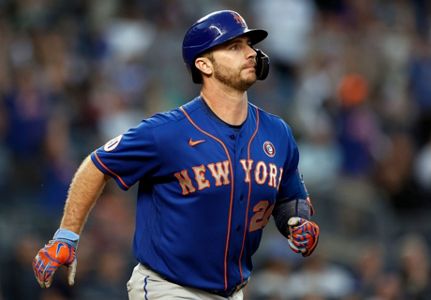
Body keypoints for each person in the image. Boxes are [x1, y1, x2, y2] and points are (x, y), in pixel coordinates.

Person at [32, 10, 320, 300]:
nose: (250, 53)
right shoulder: (167, 132)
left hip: (233, 292)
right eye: (234, 47)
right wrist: (66, 236)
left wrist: (297, 223)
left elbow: (290, 196)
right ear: (204, 65)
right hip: (168, 288)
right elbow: (96, 166)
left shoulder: (277, 133)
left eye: (249, 45)